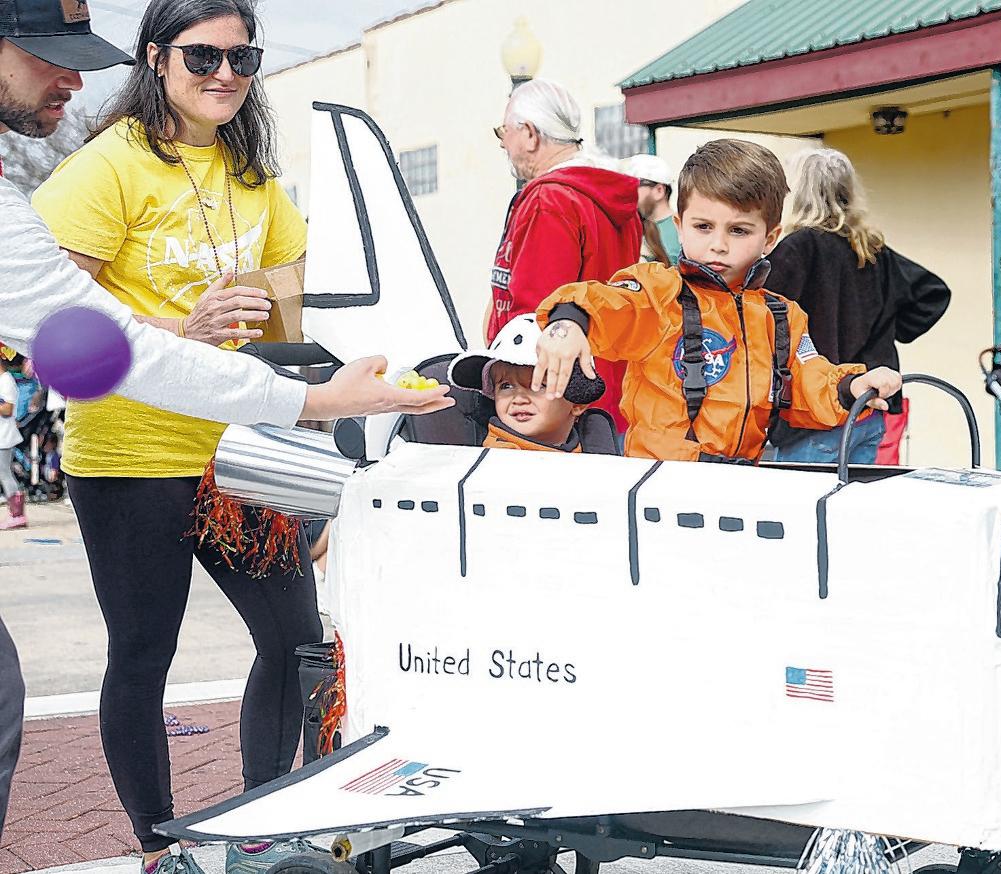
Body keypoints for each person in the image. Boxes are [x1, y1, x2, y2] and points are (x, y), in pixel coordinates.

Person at [0, 0, 448, 846]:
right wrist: (185, 326)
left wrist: (346, 400)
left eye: (243, 59)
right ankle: (159, 845)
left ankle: (262, 827)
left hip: (246, 450)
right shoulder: (106, 167)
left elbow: (293, 318)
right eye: (203, 57)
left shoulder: (255, 177)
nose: (225, 75)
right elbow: (57, 334)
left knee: (297, 641)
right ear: (156, 58)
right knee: (144, 654)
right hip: (131, 452)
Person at [533, 138, 902, 463]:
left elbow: (808, 383)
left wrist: (851, 386)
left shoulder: (781, 317)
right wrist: (568, 322)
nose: (719, 245)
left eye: (739, 230)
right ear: (680, 226)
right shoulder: (660, 293)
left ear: (770, 239)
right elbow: (608, 302)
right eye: (703, 227)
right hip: (660, 486)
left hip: (735, 489)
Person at [766, 148, 951, 463]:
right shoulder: (870, 248)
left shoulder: (797, 249)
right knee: (855, 496)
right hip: (869, 410)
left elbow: (758, 315)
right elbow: (933, 292)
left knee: (807, 497)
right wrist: (885, 331)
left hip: (816, 415)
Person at [486, 78, 641, 431]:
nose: (503, 144)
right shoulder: (611, 197)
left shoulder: (550, 201)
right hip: (610, 393)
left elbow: (535, 314)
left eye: (504, 132)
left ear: (529, 134)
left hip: (555, 404)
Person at [449, 314, 618, 453]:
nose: (519, 399)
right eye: (506, 386)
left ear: (577, 402)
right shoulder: (496, 461)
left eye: (538, 385)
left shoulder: (596, 451)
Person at [627, 153, 682, 264]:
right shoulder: (633, 228)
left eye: (635, 186)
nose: (630, 193)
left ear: (659, 190)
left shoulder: (682, 227)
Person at [0, 356, 23, 529]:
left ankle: (17, 514)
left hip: (5, 435)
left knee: (5, 473)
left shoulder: (6, 381)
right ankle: (15, 512)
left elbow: (8, 409)